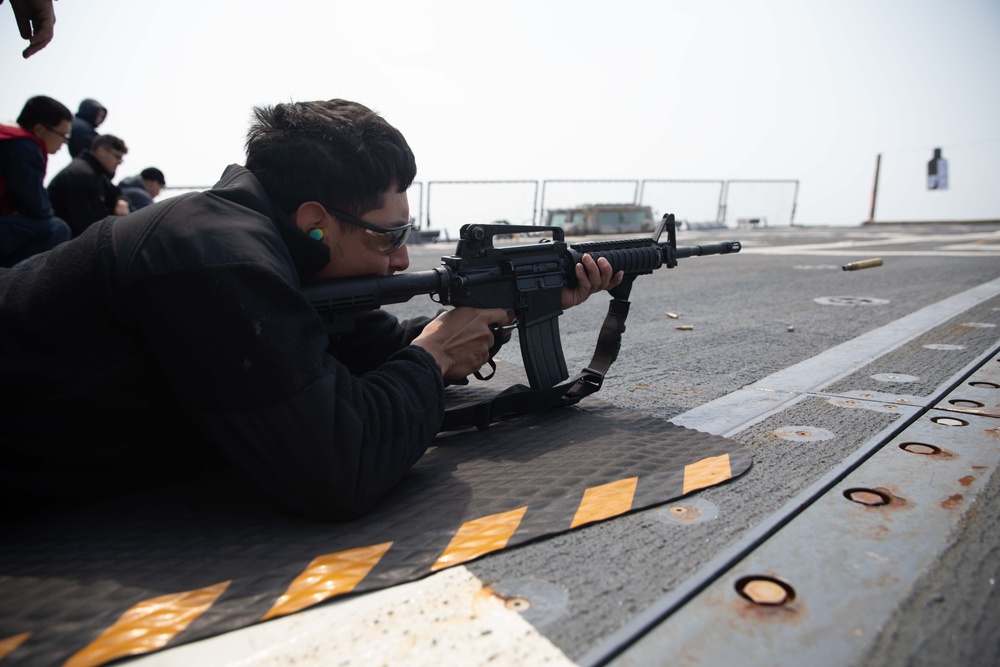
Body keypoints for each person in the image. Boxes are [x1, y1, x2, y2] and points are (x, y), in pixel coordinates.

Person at [0, 99, 622, 521]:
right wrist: (433, 358)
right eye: (390, 235)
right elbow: (339, 466)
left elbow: (368, 350)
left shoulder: (270, 241)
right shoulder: (217, 256)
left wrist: (515, 307)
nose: (403, 261)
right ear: (315, 222)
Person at [0, 95, 72, 267]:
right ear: (39, 130)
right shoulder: (25, 146)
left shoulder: (9, 136)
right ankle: (8, 284)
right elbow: (36, 207)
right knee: (56, 229)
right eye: (63, 135)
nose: (64, 142)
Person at [47, 133, 132, 237]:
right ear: (100, 151)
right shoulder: (81, 175)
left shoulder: (97, 174)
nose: (119, 162)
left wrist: (121, 202)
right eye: (117, 157)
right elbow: (86, 227)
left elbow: (116, 193)